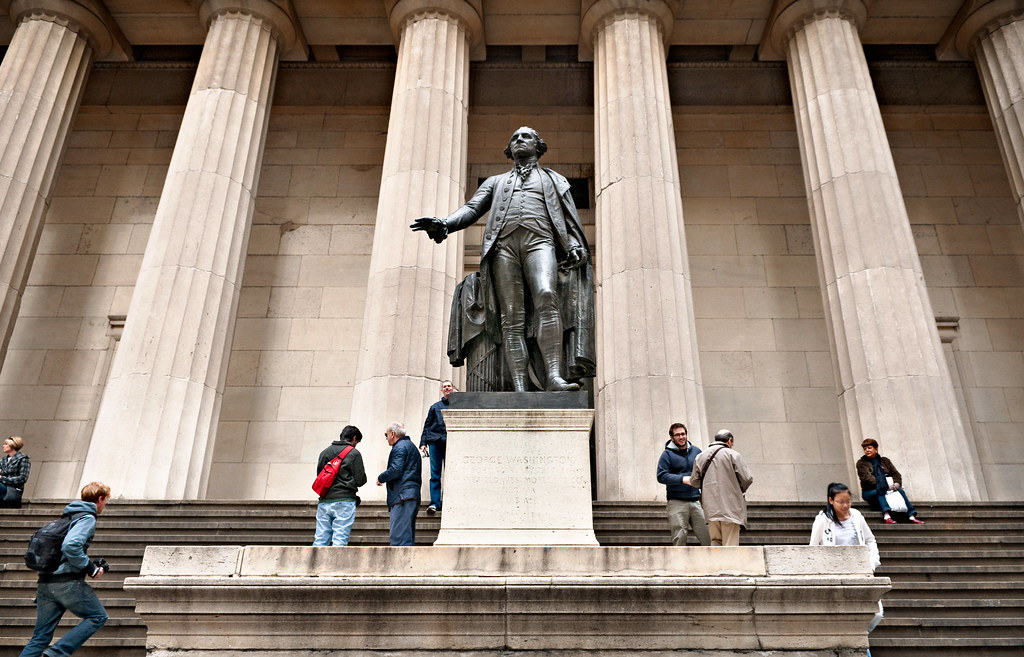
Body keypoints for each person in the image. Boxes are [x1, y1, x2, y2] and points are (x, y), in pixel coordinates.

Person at [411, 126, 595, 392]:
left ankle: (554, 376)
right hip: (503, 248)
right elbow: (473, 208)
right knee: (512, 316)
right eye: (515, 138)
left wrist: (575, 243)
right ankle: (519, 386)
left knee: (545, 294)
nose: (519, 140)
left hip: (540, 242)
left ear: (538, 146)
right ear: (510, 150)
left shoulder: (554, 180)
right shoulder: (495, 182)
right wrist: (445, 224)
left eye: (526, 136)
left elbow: (567, 218)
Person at [20, 481, 111, 657]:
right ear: (100, 499)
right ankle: (55, 654)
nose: (105, 505)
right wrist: (91, 569)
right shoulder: (87, 518)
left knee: (40, 637)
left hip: (46, 582)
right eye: (106, 501)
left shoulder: (69, 516)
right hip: (66, 583)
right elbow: (71, 546)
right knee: (98, 617)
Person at [809, 482, 885, 637]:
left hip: (860, 569)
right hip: (834, 571)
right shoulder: (823, 520)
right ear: (831, 500)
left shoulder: (856, 516)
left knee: (877, 612)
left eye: (848, 501)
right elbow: (813, 547)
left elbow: (870, 540)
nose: (845, 505)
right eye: (840, 502)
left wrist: (872, 563)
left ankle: (861, 635)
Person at [687, 429, 753, 547]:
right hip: (730, 508)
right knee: (730, 544)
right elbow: (747, 479)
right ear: (729, 440)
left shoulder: (700, 456)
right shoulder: (733, 455)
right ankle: (729, 566)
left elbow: (694, 482)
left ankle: (717, 566)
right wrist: (738, 489)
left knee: (715, 542)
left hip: (711, 508)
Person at [656, 422, 710, 546]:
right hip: (676, 502)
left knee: (708, 536)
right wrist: (682, 479)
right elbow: (661, 476)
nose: (681, 437)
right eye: (678, 435)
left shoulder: (697, 451)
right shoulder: (667, 455)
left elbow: (705, 471)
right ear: (672, 438)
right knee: (679, 538)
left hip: (696, 501)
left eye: (683, 434)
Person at [313, 425, 367, 546]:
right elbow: (360, 480)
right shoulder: (354, 453)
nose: (356, 444)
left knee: (320, 539)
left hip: (325, 500)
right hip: (345, 500)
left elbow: (320, 476)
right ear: (354, 438)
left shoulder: (324, 452)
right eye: (357, 442)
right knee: (340, 539)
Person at [856, 438, 924, 525]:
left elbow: (896, 474)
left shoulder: (885, 461)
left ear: (876, 449)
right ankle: (887, 516)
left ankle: (912, 516)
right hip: (869, 491)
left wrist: (896, 484)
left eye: (869, 448)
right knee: (881, 491)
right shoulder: (861, 463)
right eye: (865, 449)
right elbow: (866, 478)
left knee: (900, 491)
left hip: (889, 486)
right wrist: (884, 484)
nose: (867, 450)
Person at [376, 422, 421, 546]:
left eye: (386, 434)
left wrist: (381, 477)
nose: (386, 438)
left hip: (402, 496)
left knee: (398, 538)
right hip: (409, 495)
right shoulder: (409, 446)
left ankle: (398, 565)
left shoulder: (400, 447)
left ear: (392, 434)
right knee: (406, 537)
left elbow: (396, 469)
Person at [420, 379, 453, 515]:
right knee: (435, 474)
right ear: (442, 390)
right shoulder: (434, 407)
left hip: (451, 442)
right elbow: (427, 425)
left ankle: (449, 501)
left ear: (452, 388)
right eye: (444, 386)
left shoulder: (458, 406)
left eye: (449, 386)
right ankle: (435, 503)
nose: (446, 388)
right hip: (435, 442)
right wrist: (423, 443)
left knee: (451, 474)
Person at [1, 435, 31, 507]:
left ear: (12, 445)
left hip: (13, 490)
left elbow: (22, 478)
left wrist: (2, 478)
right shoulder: (3, 460)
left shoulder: (23, 459)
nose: (3, 446)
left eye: (6, 444)